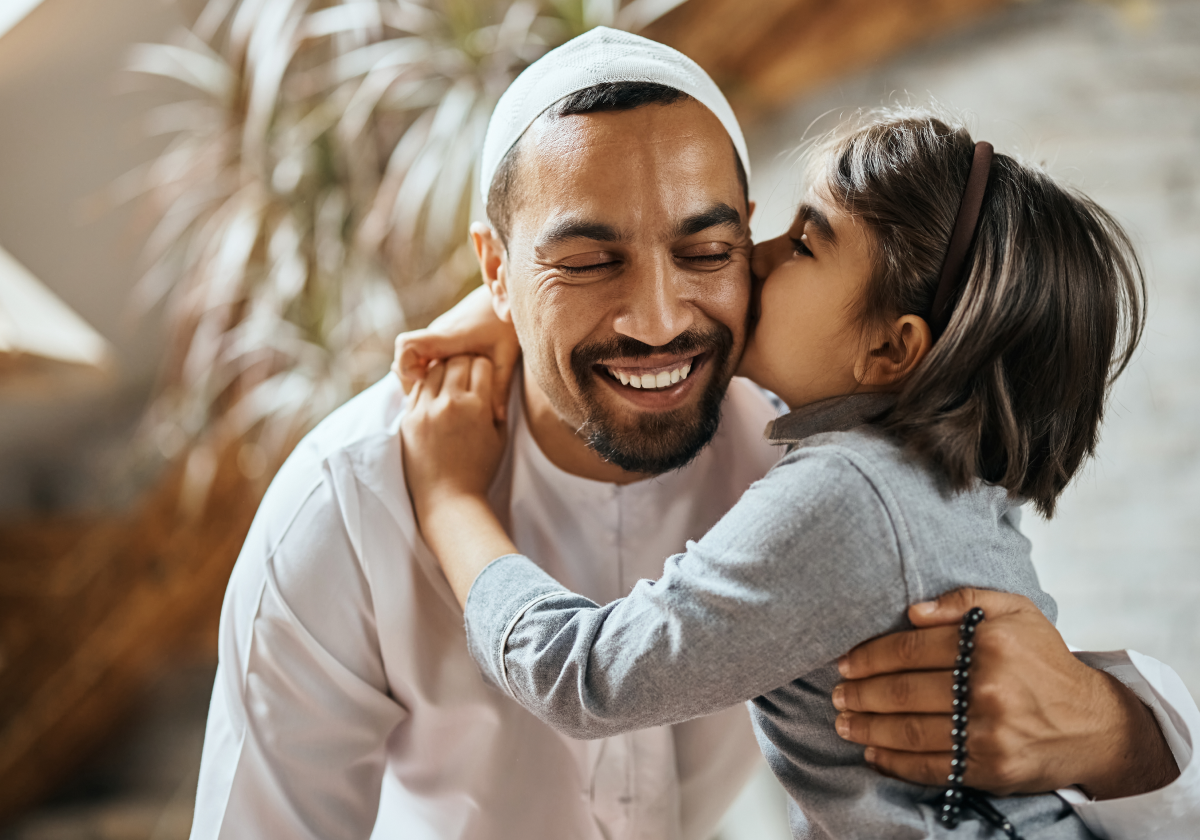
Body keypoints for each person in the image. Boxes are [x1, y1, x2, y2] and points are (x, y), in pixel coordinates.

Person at [190, 28, 1198, 840]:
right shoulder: (343, 509)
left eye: (716, 247)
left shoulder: (829, 457)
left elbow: (592, 677)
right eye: (586, 261)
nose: (662, 318)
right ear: (495, 268)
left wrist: (1113, 733)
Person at [397, 107, 1152, 838]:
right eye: (590, 260)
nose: (753, 257)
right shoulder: (940, 481)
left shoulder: (851, 498)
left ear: (891, 351)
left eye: (804, 244)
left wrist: (450, 497)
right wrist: (511, 306)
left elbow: (586, 678)